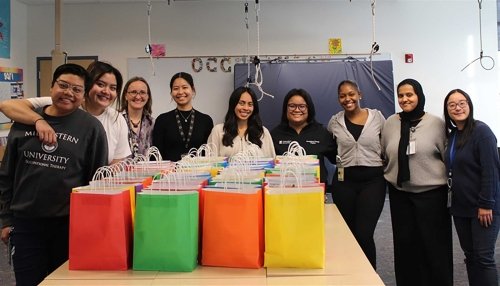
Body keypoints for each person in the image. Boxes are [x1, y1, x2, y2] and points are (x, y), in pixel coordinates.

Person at [0, 63, 108, 286]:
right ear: (51, 88)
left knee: (65, 283)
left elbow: (97, 182)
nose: (69, 93)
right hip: (25, 224)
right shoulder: (24, 122)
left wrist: (91, 227)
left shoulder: (91, 128)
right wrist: (5, 220)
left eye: (77, 90)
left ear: (83, 95)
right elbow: (7, 174)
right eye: (63, 85)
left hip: (68, 225)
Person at [381, 78, 453, 286]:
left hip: (431, 195)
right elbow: (385, 151)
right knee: (405, 246)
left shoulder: (435, 123)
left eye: (409, 95)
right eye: (401, 95)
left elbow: (447, 155)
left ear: (419, 96)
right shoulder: (390, 122)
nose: (405, 99)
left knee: (433, 246)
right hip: (399, 194)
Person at [0, 61, 131, 165]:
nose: (106, 91)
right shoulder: (61, 104)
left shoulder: (117, 119)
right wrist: (39, 120)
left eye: (113, 88)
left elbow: (118, 159)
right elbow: (7, 105)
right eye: (100, 84)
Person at [326, 80, 386, 269]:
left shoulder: (377, 117)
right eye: (342, 95)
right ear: (338, 99)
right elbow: (330, 148)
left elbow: (387, 144)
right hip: (345, 182)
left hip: (373, 181)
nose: (347, 98)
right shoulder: (334, 122)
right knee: (348, 233)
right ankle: (350, 274)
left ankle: (369, 276)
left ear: (359, 94)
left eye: (351, 94)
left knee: (364, 232)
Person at [444, 89, 500, 286]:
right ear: (447, 110)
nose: (457, 107)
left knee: (484, 258)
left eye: (462, 103)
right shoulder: (452, 136)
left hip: (483, 207)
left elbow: (491, 171)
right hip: (461, 208)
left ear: (469, 105)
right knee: (470, 257)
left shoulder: (481, 132)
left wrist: (486, 204)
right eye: (452, 104)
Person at [271, 88, 336, 186]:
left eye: (302, 106)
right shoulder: (274, 135)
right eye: (292, 106)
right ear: (285, 108)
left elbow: (337, 159)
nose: (297, 110)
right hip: (283, 193)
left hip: (315, 193)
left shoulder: (322, 133)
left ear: (309, 108)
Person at [152, 72, 213, 161]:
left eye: (185, 87)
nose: (180, 92)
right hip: (170, 173)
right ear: (171, 92)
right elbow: (156, 155)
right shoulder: (162, 120)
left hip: (199, 172)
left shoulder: (205, 120)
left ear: (193, 90)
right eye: (176, 88)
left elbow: (209, 154)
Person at [207, 86, 275, 158]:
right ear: (233, 104)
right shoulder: (218, 131)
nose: (246, 108)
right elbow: (210, 163)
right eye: (241, 103)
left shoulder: (263, 132)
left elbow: (272, 163)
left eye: (250, 104)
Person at [119, 76, 154, 158]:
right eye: (134, 92)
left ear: (148, 97)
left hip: (147, 170)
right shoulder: (116, 120)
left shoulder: (153, 123)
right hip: (120, 170)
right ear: (126, 95)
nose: (138, 97)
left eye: (142, 92)